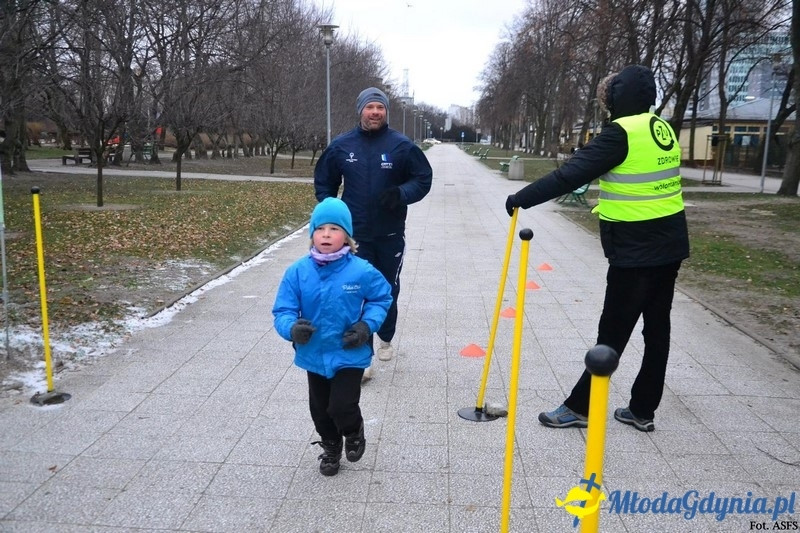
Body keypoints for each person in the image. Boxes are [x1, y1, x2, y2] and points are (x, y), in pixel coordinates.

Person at [505, 65, 689, 432]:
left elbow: (569, 175)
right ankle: (642, 409)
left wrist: (520, 197)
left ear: (616, 99)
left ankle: (580, 406)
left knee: (613, 331)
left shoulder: (620, 133)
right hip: (670, 244)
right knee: (657, 329)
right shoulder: (661, 128)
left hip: (636, 251)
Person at [314, 87, 433, 381]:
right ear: (361, 110)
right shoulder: (342, 146)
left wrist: (400, 193)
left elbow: (423, 178)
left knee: (386, 289)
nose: (375, 112)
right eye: (370, 107)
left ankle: (387, 336)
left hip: (390, 234)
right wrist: (332, 216)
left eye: (380, 107)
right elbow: (324, 183)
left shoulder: (401, 146)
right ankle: (361, 355)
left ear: (386, 112)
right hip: (354, 237)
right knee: (355, 292)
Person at [272, 198, 392, 476]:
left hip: (349, 351)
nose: (326, 234)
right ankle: (330, 445)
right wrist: (291, 328)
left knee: (341, 406)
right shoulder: (298, 272)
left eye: (334, 229)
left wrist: (366, 326)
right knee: (320, 411)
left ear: (347, 238)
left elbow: (381, 298)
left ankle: (354, 430)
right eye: (320, 228)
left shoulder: (361, 271)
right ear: (312, 234)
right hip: (314, 353)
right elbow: (283, 309)